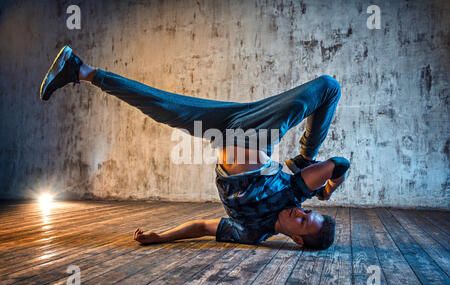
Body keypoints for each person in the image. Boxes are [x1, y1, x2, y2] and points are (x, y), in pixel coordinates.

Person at [40, 45, 350, 250]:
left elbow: (203, 226)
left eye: (303, 221)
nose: (300, 212)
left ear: (296, 239)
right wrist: (325, 187)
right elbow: (339, 163)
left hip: (226, 129)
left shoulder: (250, 233)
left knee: (161, 106)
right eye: (308, 212)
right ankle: (305, 153)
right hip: (255, 133)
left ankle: (80, 70)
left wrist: (162, 237)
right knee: (328, 87)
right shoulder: (296, 192)